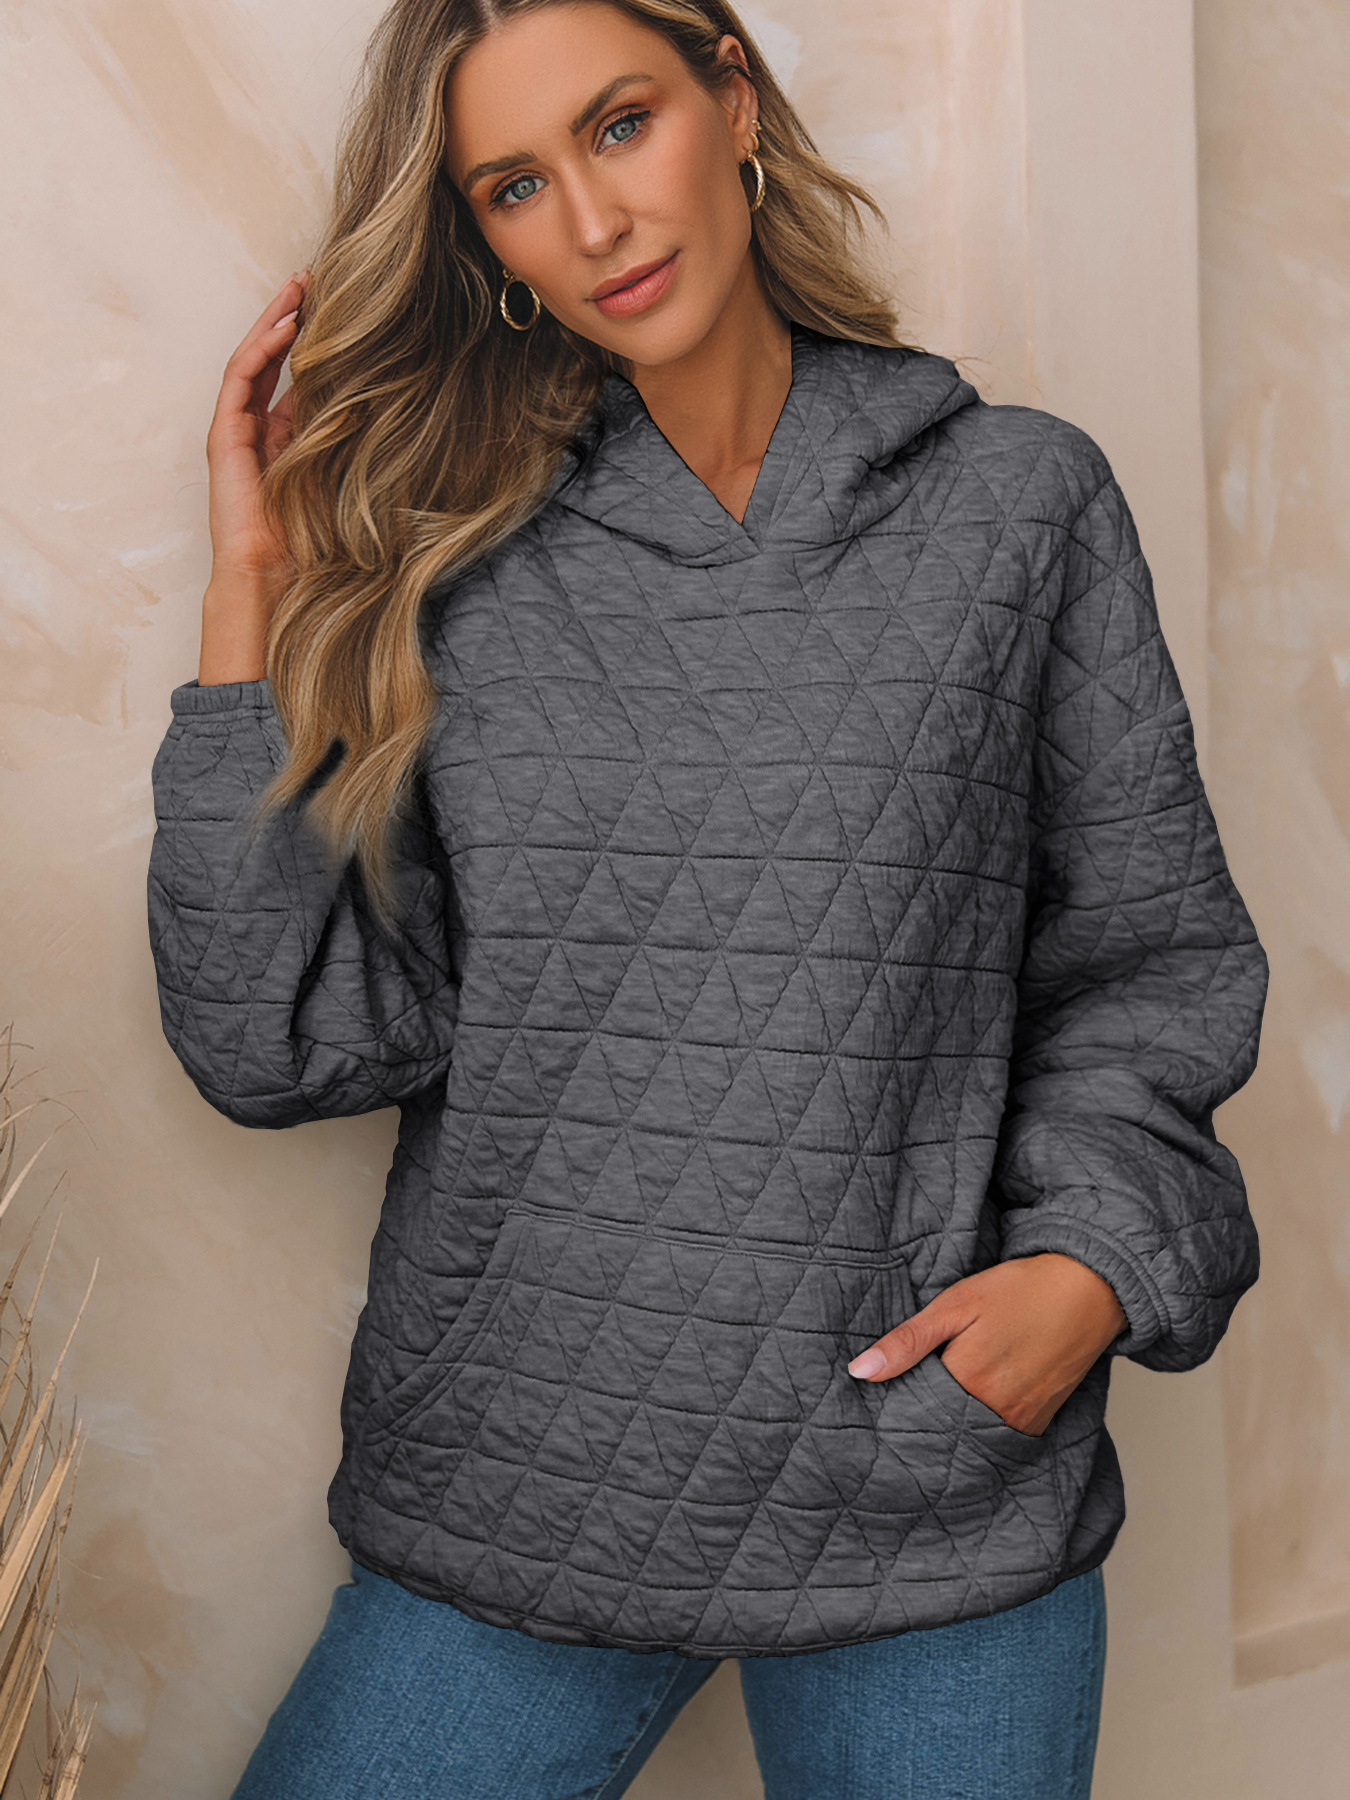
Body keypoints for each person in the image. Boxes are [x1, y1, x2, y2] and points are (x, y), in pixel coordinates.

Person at [145, 2, 1268, 1795]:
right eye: (515, 185)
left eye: (619, 125)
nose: (594, 220)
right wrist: (250, 593)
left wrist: (1087, 1267)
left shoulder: (1018, 499)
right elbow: (281, 1047)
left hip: (929, 1490)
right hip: (529, 1470)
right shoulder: (451, 559)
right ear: (481, 242)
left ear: (730, 100)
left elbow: (1145, 965)